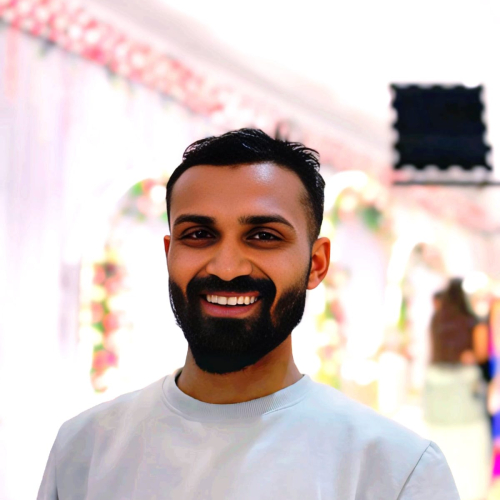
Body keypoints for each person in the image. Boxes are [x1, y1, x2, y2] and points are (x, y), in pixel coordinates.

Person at [38, 129, 459, 499]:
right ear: (169, 254)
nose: (226, 267)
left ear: (316, 264)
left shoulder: (398, 471)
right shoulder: (84, 449)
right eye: (199, 234)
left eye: (262, 236)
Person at [424, 278, 491, 499]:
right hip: (465, 399)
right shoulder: (472, 322)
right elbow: (481, 354)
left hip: (438, 397)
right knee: (469, 455)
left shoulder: (436, 321)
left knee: (444, 452)